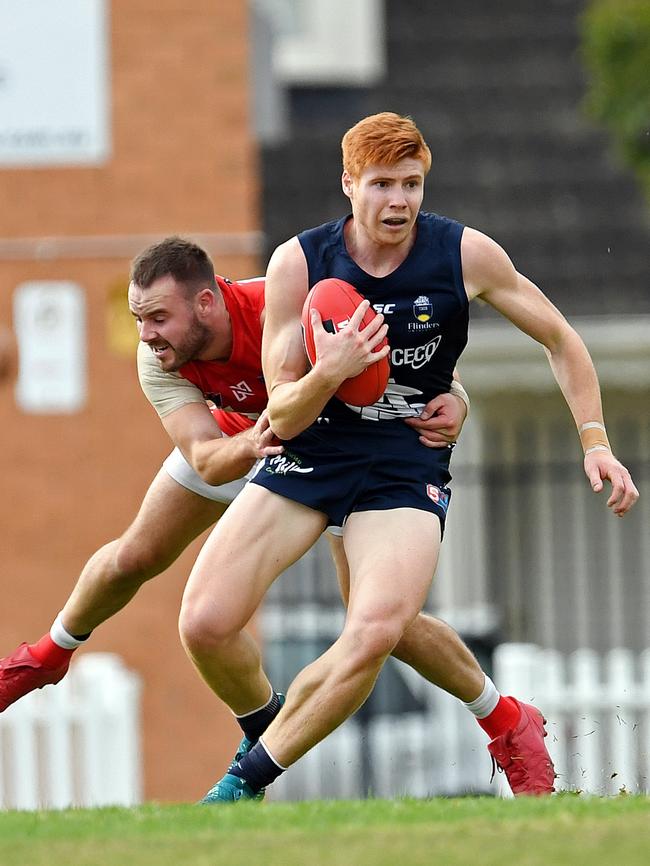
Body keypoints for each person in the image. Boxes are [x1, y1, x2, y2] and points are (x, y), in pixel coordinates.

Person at [178, 113, 639, 804]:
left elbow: (561, 339)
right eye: (382, 184)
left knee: (375, 627)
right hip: (313, 448)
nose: (399, 201)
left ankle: (242, 785)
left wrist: (595, 442)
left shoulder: (464, 254)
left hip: (403, 459)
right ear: (348, 185)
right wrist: (331, 370)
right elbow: (281, 413)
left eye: (412, 184)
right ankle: (498, 719)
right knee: (205, 623)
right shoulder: (299, 264)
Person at [0, 238, 536, 793]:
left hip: (328, 451)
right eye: (140, 319)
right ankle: (46, 657)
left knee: (384, 624)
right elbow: (206, 459)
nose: (146, 334)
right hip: (243, 448)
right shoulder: (156, 356)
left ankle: (503, 719)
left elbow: (406, 366)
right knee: (137, 555)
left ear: (207, 302)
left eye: (159, 317)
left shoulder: (283, 301)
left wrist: (461, 401)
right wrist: (259, 437)